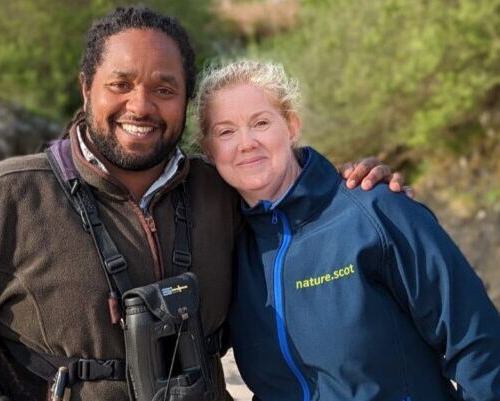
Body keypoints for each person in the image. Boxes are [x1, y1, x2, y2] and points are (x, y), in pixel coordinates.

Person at [0, 7, 402, 401]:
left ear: (186, 101)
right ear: (86, 86)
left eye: (164, 89)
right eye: (121, 84)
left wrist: (358, 190)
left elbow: (310, 221)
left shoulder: (226, 191)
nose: (141, 106)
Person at [196, 59, 500, 401]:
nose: (246, 142)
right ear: (209, 150)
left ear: (292, 126)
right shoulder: (229, 243)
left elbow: (478, 342)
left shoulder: (377, 211)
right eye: (226, 131)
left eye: (261, 122)